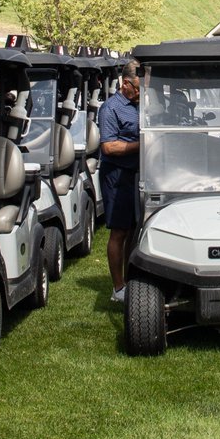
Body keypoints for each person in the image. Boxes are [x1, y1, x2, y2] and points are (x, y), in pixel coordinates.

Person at [98, 59, 141, 304]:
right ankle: (118, 288)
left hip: (137, 173)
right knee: (119, 231)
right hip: (117, 175)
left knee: (135, 229)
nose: (140, 93)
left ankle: (131, 279)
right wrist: (143, 144)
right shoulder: (111, 108)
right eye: (137, 88)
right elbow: (109, 146)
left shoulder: (139, 104)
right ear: (126, 84)